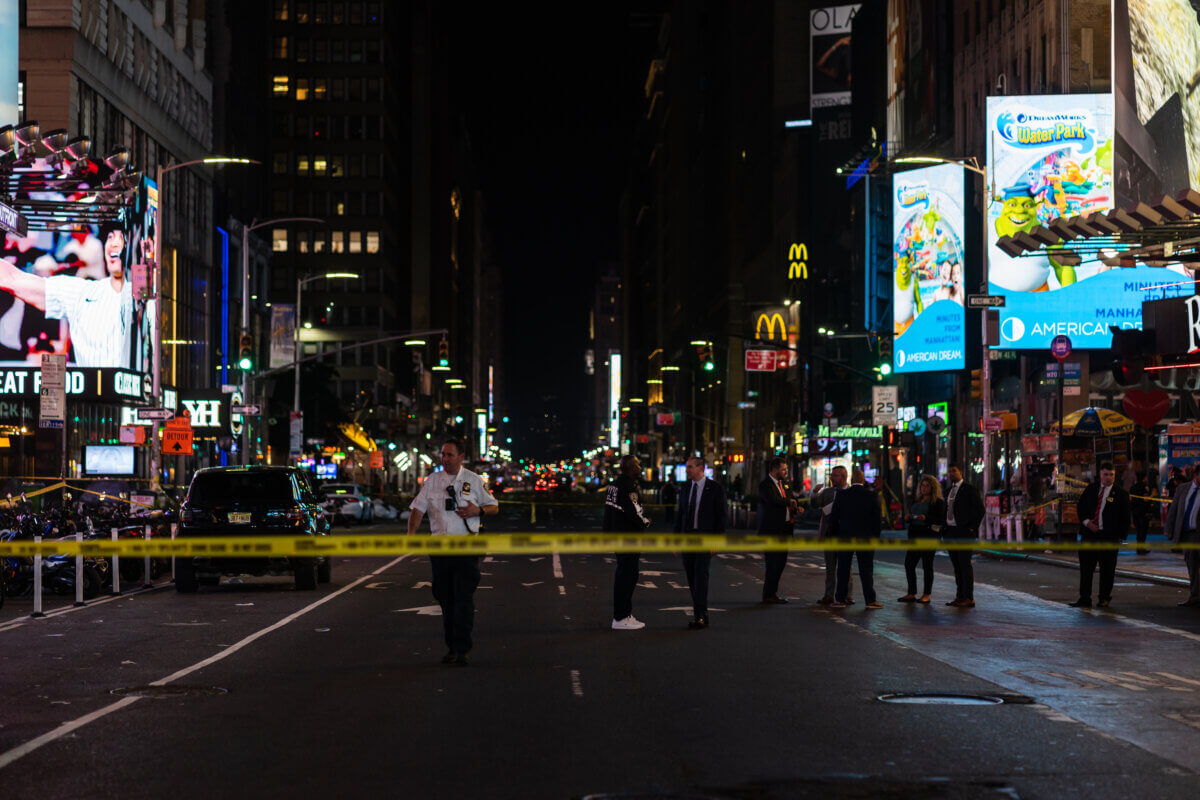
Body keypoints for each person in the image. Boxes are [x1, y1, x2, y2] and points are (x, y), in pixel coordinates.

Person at [407, 439, 499, 666]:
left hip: (466, 549)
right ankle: (451, 647)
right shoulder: (432, 481)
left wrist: (478, 510)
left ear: (461, 456)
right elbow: (417, 509)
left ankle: (462, 648)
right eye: (443, 455)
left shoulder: (474, 480)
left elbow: (494, 506)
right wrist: (411, 535)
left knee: (463, 598)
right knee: (445, 599)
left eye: (449, 455)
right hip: (440, 550)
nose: (445, 459)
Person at [0, 223, 133, 368]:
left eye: (121, 239)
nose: (114, 244)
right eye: (110, 238)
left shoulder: (141, 297)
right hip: (95, 387)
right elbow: (13, 278)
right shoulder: (80, 291)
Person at [674, 456, 726, 629]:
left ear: (700, 468)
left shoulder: (715, 489)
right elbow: (680, 515)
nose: (687, 470)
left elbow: (721, 517)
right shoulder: (685, 488)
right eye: (686, 467)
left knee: (701, 576)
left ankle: (700, 616)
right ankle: (702, 612)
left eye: (689, 467)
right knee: (691, 576)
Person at [1071, 462, 1130, 609]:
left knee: (1107, 570)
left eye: (1111, 475)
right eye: (1106, 474)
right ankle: (1084, 598)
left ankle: (1104, 598)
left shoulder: (1121, 494)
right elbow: (1081, 508)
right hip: (1089, 535)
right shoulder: (1091, 490)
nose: (1109, 477)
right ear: (1100, 475)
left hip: (1108, 538)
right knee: (1086, 569)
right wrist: (1086, 522)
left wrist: (1121, 537)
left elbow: (1125, 517)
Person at [604, 455, 651, 630]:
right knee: (629, 576)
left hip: (617, 537)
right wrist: (646, 521)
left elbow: (608, 512)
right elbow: (635, 512)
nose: (640, 468)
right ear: (631, 468)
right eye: (637, 465)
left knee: (622, 574)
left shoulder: (614, 486)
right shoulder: (628, 487)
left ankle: (622, 614)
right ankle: (622, 616)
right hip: (629, 537)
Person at [828, 468, 882, 609]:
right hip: (865, 538)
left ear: (851, 480)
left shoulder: (842, 495)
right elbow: (877, 520)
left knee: (843, 569)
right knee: (866, 570)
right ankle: (870, 600)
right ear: (863, 481)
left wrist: (834, 534)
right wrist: (875, 537)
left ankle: (840, 599)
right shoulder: (871, 495)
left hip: (845, 536)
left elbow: (834, 518)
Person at [898, 475, 945, 604]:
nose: (924, 488)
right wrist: (908, 517)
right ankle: (911, 592)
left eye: (927, 486)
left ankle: (926, 594)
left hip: (928, 536)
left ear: (933, 487)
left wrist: (926, 518)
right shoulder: (917, 500)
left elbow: (940, 520)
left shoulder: (938, 502)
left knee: (927, 565)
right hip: (914, 536)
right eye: (922, 486)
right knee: (909, 564)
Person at [943, 465, 984, 608]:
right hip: (950, 532)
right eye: (949, 471)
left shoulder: (969, 489)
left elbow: (980, 510)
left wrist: (972, 528)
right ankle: (959, 596)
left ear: (961, 472)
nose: (951, 473)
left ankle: (969, 597)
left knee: (964, 565)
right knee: (957, 566)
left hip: (964, 532)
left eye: (954, 470)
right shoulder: (948, 491)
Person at [757, 457, 796, 604]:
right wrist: (789, 502)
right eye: (783, 469)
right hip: (772, 531)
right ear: (774, 469)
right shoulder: (765, 485)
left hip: (785, 529)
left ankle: (772, 593)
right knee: (772, 563)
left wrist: (795, 507)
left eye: (786, 469)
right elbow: (773, 501)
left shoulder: (785, 484)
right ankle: (768, 594)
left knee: (781, 563)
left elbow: (790, 500)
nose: (785, 472)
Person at [814, 465, 853, 605]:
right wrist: (815, 493)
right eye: (832, 475)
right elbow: (815, 504)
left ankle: (848, 595)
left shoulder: (851, 492)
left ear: (843, 477)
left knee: (846, 567)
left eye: (835, 475)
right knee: (830, 567)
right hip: (829, 534)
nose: (832, 477)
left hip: (844, 534)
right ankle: (828, 594)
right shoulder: (827, 492)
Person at [1164, 462, 1200, 607]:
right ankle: (1195, 595)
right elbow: (1174, 509)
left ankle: (1195, 595)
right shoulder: (1182, 488)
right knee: (1192, 565)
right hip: (1187, 533)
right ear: (1196, 475)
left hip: (1198, 533)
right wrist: (1169, 528)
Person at [1129, 470, 1154, 556]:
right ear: (1144, 478)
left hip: (1135, 512)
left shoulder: (1133, 487)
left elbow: (1131, 500)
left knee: (1139, 531)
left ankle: (1139, 548)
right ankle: (1141, 548)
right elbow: (1146, 500)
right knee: (1143, 531)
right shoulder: (1144, 487)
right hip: (1143, 512)